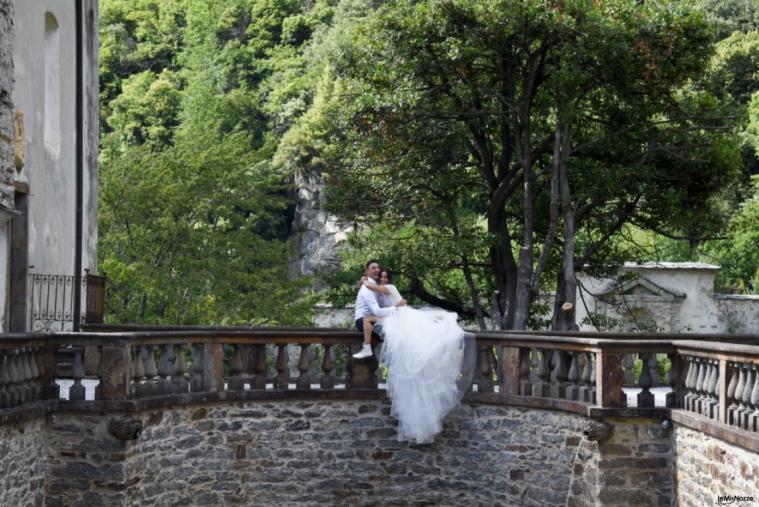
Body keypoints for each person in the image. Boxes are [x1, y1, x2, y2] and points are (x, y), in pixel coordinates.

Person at [355, 264, 470, 444]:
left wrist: (365, 281)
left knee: (411, 344)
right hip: (394, 315)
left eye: (385, 276)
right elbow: (375, 298)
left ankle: (368, 347)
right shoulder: (377, 291)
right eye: (380, 276)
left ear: (389, 279)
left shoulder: (385, 288)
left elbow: (375, 291)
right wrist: (365, 282)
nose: (383, 279)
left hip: (400, 316)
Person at [352, 260, 406, 359]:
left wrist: (364, 280)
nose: (377, 270)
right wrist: (396, 308)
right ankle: (368, 348)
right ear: (367, 271)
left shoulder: (384, 288)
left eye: (378, 268)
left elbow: (370, 287)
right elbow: (377, 310)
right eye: (373, 268)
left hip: (391, 316)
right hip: (363, 321)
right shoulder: (369, 289)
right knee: (368, 319)